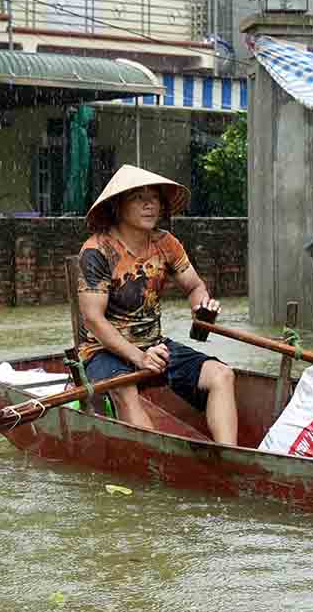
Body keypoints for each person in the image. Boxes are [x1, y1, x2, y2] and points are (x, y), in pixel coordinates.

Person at [75, 165, 238, 444]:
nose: (150, 204)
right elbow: (93, 319)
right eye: (139, 197)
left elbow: (194, 286)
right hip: (102, 350)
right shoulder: (97, 251)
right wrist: (139, 358)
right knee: (126, 389)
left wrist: (202, 310)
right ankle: (157, 471)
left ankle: (231, 463)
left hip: (154, 345)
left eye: (154, 197)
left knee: (222, 375)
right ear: (118, 206)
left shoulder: (167, 243)